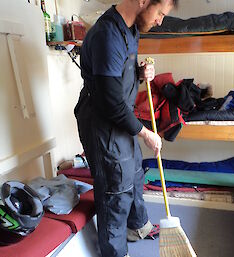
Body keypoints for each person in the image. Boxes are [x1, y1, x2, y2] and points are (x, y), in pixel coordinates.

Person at [74, 1, 178, 256]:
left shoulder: (130, 29)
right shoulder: (107, 35)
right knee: (115, 189)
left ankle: (135, 226)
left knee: (134, 173)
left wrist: (140, 72)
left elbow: (119, 72)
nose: (160, 21)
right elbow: (110, 101)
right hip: (103, 120)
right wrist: (145, 133)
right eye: (160, 13)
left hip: (120, 115)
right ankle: (115, 252)